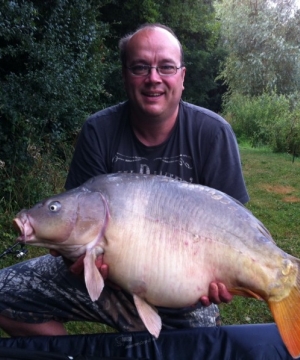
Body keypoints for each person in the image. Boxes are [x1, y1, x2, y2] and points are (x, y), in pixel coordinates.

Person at [0, 23, 249, 336]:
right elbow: (78, 233)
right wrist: (76, 262)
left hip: (183, 285)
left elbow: (236, 228)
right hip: (110, 279)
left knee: (189, 345)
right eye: (140, 67)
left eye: (166, 67)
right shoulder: (98, 131)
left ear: (182, 77)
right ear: (124, 76)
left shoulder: (213, 134)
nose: (153, 78)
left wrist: (225, 279)